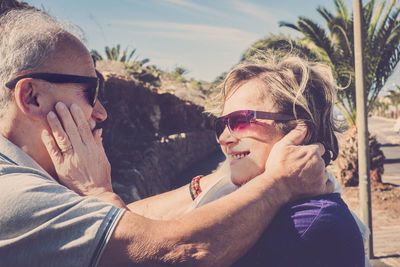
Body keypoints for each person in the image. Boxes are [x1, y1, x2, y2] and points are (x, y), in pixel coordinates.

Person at [0, 9, 333, 267]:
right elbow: (174, 251)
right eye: (90, 91)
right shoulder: (13, 193)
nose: (100, 112)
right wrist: (280, 184)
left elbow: (122, 223)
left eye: (242, 121)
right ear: (31, 97)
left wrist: (212, 183)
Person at [185, 54, 367, 266]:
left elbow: (184, 253)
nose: (224, 138)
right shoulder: (263, 207)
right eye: (221, 125)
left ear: (299, 131)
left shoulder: (305, 222)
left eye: (240, 121)